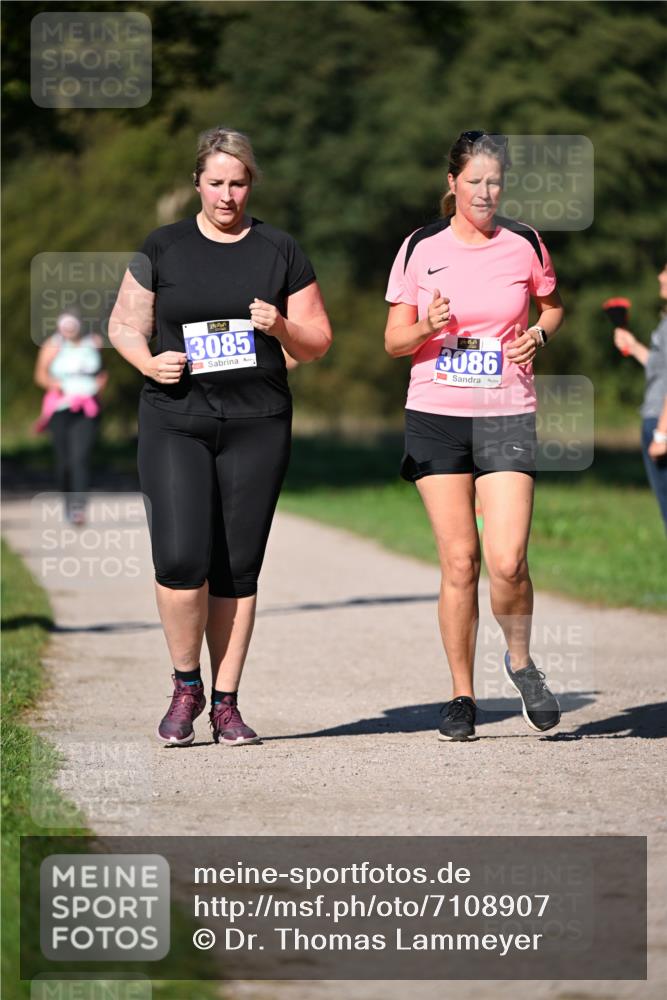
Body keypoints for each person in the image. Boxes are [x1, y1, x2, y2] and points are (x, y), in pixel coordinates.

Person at [109, 127, 332, 748]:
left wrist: (282, 324)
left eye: (237, 183)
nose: (226, 196)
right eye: (215, 183)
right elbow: (125, 324)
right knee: (181, 560)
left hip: (257, 424)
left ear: (250, 185)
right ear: (198, 185)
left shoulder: (280, 249)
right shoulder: (162, 245)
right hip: (175, 418)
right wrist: (148, 363)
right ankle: (186, 687)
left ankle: (227, 703)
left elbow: (317, 342)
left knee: (237, 567)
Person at [384, 130, 565, 742]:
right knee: (460, 561)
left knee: (508, 560)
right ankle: (462, 695)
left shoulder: (525, 244)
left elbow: (552, 307)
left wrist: (538, 336)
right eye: (475, 181)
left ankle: (520, 662)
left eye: (495, 182)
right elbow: (393, 342)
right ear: (453, 184)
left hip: (507, 410)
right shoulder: (419, 247)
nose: (485, 192)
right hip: (436, 413)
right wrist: (426, 326)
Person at [34, 311, 106, 524]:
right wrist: (55, 384)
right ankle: (67, 503)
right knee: (64, 462)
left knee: (80, 459)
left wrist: (98, 387)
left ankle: (79, 508)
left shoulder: (93, 343)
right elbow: (40, 375)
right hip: (61, 407)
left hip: (87, 408)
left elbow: (102, 372)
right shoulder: (52, 345)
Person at [613, 264, 667, 531]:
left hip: (661, 422)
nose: (660, 276)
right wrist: (634, 347)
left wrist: (662, 434)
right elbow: (661, 368)